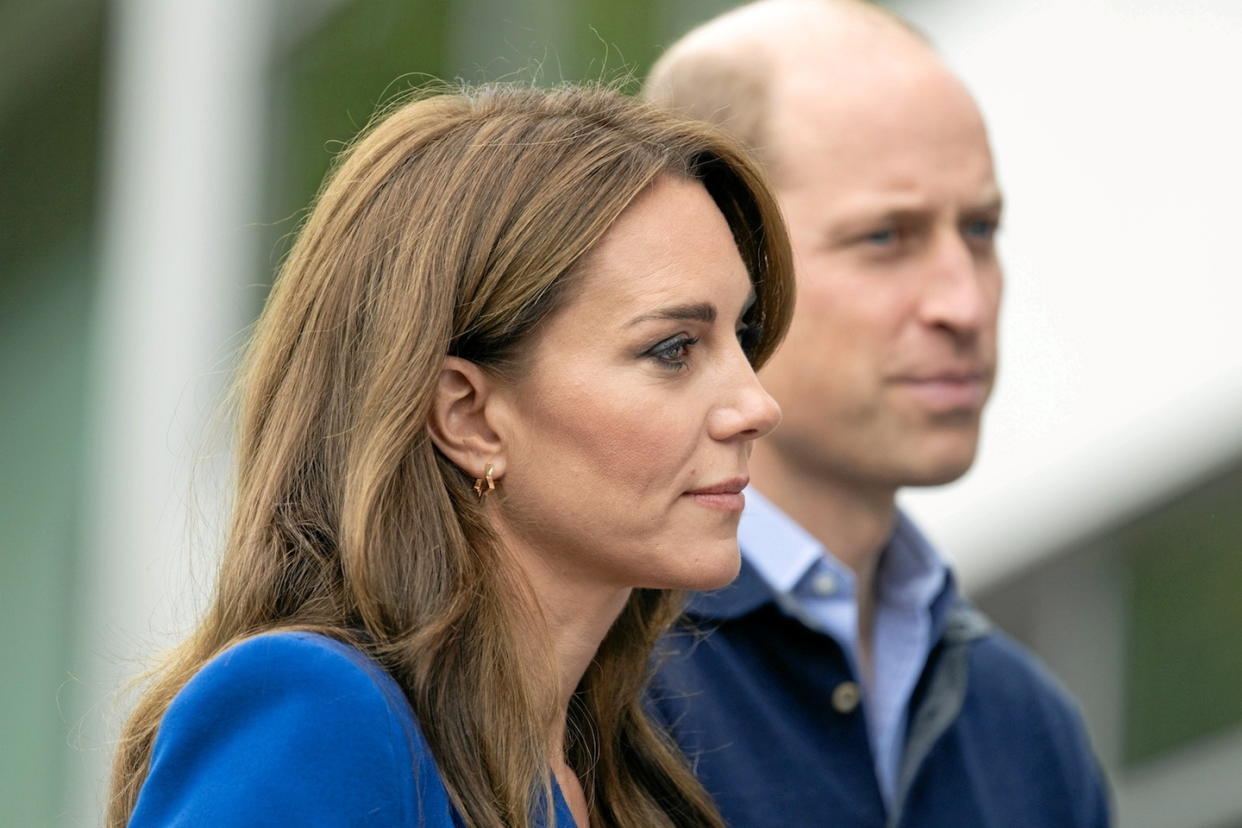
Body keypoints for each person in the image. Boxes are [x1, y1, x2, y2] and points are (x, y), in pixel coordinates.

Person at [106, 84, 796, 828]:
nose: (756, 405)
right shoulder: (317, 715)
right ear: (467, 415)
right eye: (673, 350)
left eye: (744, 336)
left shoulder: (635, 773)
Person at [644, 2, 1112, 826]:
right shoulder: (587, 678)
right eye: (885, 238)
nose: (963, 302)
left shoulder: (1029, 730)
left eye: (980, 228)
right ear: (714, 259)